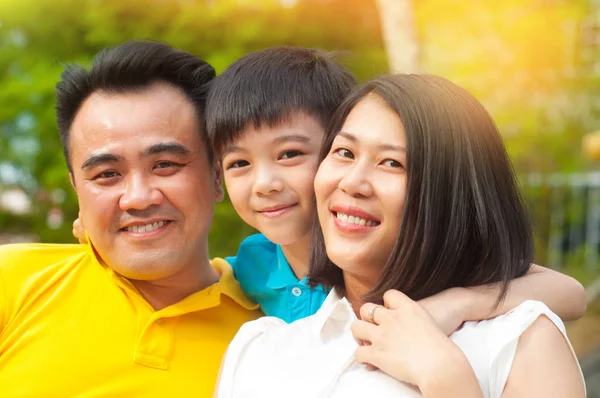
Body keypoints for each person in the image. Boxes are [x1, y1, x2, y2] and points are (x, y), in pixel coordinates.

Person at [73, 46, 586, 328]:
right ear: (219, 181)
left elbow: (568, 292)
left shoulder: (371, 251)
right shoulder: (250, 265)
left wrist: (456, 304)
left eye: (292, 155)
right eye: (238, 164)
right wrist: (98, 229)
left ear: (338, 154)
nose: (266, 184)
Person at [217, 74, 586, 397]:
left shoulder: (519, 342)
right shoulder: (258, 349)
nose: (352, 182)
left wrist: (447, 379)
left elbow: (569, 292)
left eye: (392, 162)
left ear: (453, 194)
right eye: (344, 152)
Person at [0, 40, 261, 397]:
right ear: (77, 189)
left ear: (217, 175)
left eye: (166, 165)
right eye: (107, 174)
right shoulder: (14, 283)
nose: (138, 198)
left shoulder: (272, 327)